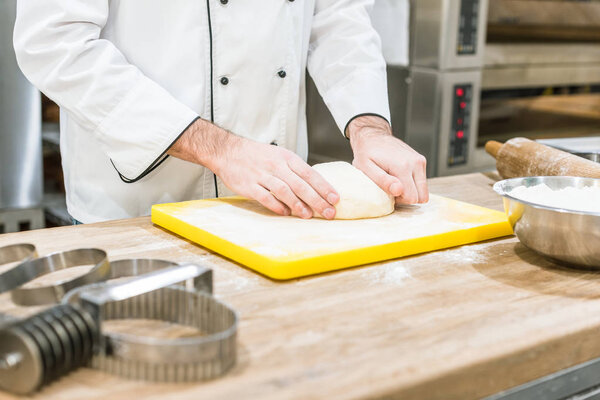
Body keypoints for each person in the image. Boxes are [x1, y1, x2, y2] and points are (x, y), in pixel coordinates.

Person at [13, 0, 428, 223]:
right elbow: (54, 45)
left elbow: (340, 21)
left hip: (277, 207)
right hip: (139, 206)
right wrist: (222, 150)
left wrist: (371, 129)